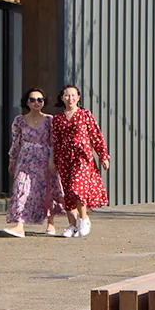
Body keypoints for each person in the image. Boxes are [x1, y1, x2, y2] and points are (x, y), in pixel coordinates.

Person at [50, 84, 110, 238]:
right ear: (62, 98)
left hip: (82, 157)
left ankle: (84, 219)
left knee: (78, 187)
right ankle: (72, 225)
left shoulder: (85, 115)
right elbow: (56, 142)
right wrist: (54, 160)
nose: (70, 98)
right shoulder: (57, 119)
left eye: (73, 95)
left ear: (78, 97)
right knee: (68, 192)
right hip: (65, 158)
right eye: (67, 95)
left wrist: (103, 156)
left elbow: (96, 136)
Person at [3, 88, 62, 238]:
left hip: (44, 158)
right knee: (21, 189)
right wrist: (11, 159)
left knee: (46, 189)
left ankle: (50, 223)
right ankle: (19, 225)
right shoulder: (19, 120)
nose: (36, 103)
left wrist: (52, 160)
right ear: (27, 102)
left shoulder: (50, 120)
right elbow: (16, 141)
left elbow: (53, 143)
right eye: (32, 99)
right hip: (25, 159)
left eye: (39, 100)